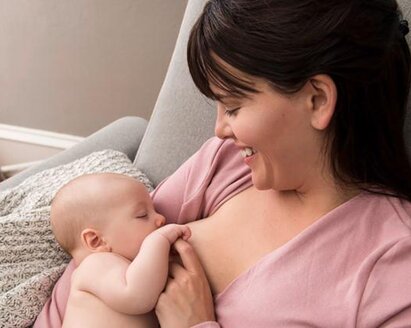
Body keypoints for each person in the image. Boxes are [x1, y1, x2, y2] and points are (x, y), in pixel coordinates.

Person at [36, 0, 411, 327]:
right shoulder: (229, 164)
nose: (219, 130)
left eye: (233, 106)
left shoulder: (391, 261)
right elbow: (100, 249)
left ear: (317, 100)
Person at [49, 173, 191, 328]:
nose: (161, 218)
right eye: (142, 215)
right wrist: (159, 240)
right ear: (97, 241)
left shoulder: (126, 267)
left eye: (154, 209)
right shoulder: (94, 265)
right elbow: (137, 296)